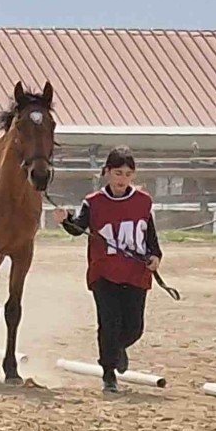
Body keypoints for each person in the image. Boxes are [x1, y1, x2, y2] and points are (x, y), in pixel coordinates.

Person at [60, 146, 162, 392]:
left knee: (134, 328)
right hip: (104, 273)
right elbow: (78, 228)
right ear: (106, 172)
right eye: (117, 173)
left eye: (128, 174)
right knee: (109, 322)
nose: (122, 179)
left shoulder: (143, 201)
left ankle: (117, 350)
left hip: (136, 273)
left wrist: (155, 256)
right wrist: (65, 220)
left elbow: (150, 235)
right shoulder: (93, 203)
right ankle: (108, 373)